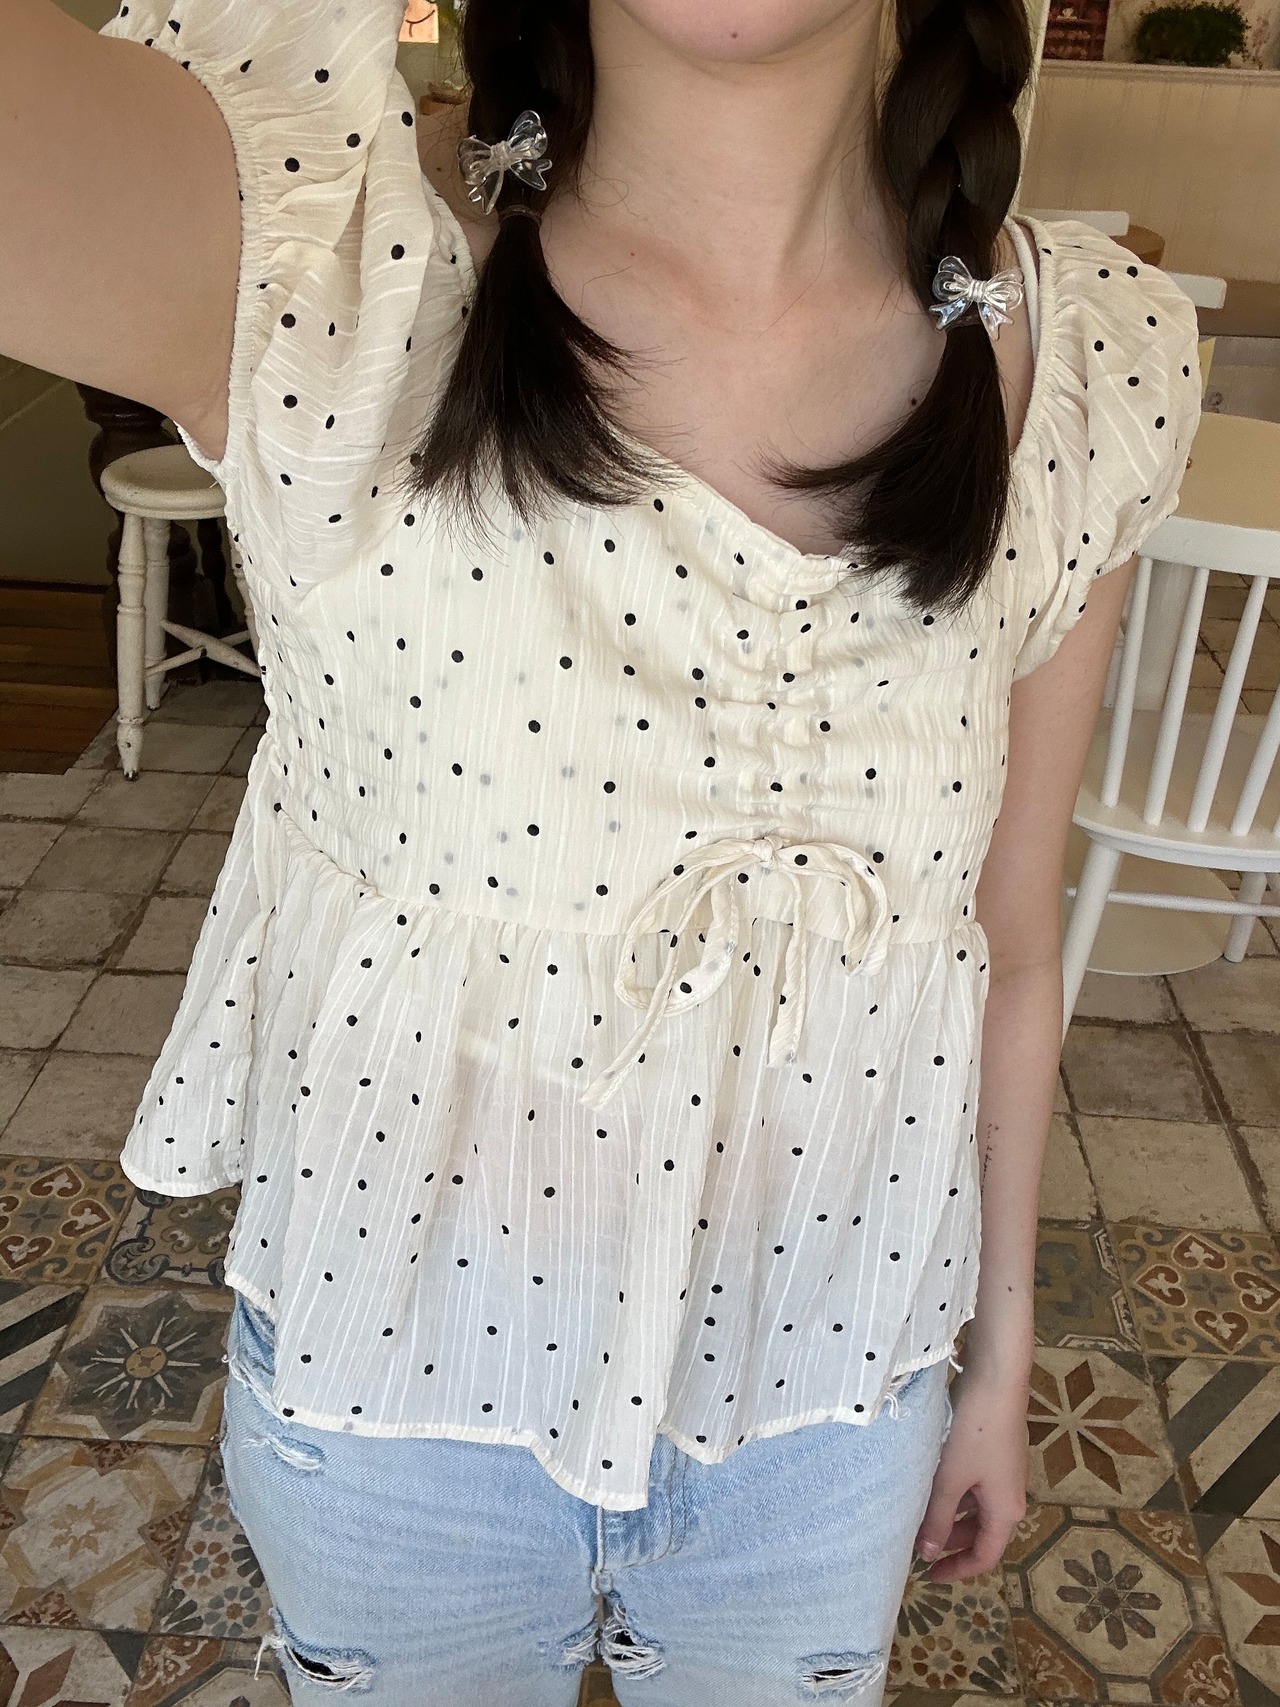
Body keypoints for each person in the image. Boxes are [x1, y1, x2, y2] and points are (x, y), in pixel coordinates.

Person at [1, 0, 1200, 1700]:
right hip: (399, 1398)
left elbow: (1005, 946)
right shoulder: (326, 253)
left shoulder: (1074, 359)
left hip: (828, 1399)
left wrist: (996, 1361)